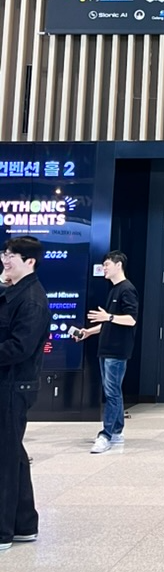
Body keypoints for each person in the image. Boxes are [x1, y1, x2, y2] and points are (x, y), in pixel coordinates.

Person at [0, 236, 48, 552]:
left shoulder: (31, 300)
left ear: (30, 261)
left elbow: (20, 347)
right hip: (9, 383)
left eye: (12, 255)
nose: (5, 259)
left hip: (13, 386)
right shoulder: (12, 291)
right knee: (12, 454)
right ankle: (24, 524)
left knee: (4, 458)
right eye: (4, 253)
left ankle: (3, 531)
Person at [71, 250, 139, 454]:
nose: (104, 268)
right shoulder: (114, 290)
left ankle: (106, 434)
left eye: (107, 264)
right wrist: (88, 332)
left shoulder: (127, 289)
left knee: (111, 393)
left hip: (117, 350)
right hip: (107, 348)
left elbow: (131, 319)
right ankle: (116, 431)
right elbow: (110, 322)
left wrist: (108, 317)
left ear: (119, 265)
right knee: (113, 391)